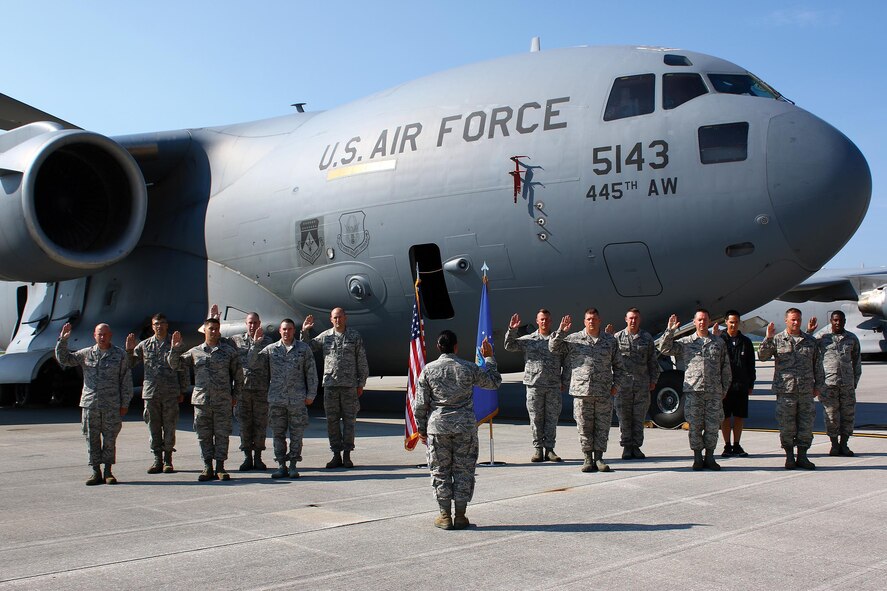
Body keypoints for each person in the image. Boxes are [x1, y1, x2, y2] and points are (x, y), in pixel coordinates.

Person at [413, 330, 502, 530]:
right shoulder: (468, 368)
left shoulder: (429, 370)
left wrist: (421, 429)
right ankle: (460, 515)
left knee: (440, 471)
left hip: (439, 427)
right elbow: (494, 381)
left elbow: (420, 404)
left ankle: (444, 515)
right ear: (456, 346)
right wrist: (489, 357)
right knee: (463, 471)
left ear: (438, 347)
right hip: (465, 428)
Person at [56, 323, 133, 486]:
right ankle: (95, 471)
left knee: (110, 439)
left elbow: (126, 381)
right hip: (91, 404)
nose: (102, 337)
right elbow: (64, 359)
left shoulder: (119, 355)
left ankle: (108, 471)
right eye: (100, 334)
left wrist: (124, 403)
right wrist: (63, 340)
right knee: (91, 438)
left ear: (110, 335)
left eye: (105, 334)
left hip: (112, 405)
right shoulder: (86, 354)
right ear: (94, 336)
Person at [549, 308, 625, 473]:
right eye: (588, 319)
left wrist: (616, 386)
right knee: (584, 426)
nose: (591, 321)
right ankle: (587, 458)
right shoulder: (575, 339)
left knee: (602, 426)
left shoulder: (610, 341)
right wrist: (561, 331)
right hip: (582, 392)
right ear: (584, 321)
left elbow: (619, 367)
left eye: (594, 319)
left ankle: (599, 458)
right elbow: (553, 348)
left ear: (599, 321)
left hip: (604, 392)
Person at [169, 317, 243, 482]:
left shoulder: (229, 352)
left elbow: (238, 376)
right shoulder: (195, 352)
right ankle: (207, 466)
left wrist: (235, 397)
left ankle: (221, 467)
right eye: (211, 329)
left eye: (217, 329)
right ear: (205, 330)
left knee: (222, 434)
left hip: (223, 401)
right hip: (202, 402)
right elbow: (175, 365)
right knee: (204, 435)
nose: (215, 332)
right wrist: (175, 349)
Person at [659, 309, 731, 471]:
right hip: (694, 392)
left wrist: (724, 389)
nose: (702, 322)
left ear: (709, 321)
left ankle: (710, 457)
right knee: (695, 426)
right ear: (694, 322)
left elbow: (726, 368)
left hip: (713, 392)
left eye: (705, 319)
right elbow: (665, 348)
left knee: (712, 426)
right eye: (699, 320)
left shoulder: (718, 343)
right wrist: (670, 331)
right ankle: (698, 457)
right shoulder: (686, 342)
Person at [248, 319, 318, 479]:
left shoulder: (303, 349)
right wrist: (256, 344)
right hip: (276, 400)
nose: (287, 332)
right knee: (278, 434)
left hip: (297, 399)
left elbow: (311, 372)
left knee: (296, 434)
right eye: (284, 329)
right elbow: (253, 363)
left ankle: (293, 465)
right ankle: (281, 465)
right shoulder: (271, 349)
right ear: (280, 331)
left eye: (290, 329)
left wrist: (311, 394)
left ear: (294, 331)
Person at [302, 307, 369, 469]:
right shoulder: (326, 336)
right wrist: (304, 332)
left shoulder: (354, 336)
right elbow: (306, 348)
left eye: (340, 317)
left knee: (349, 422)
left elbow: (361, 360)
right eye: (335, 318)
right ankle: (336, 454)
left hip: (349, 386)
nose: (338, 320)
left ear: (345, 318)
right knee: (332, 422)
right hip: (331, 386)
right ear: (331, 320)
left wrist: (361, 383)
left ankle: (347, 454)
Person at [758, 308, 822, 470]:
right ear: (786, 321)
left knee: (806, 425)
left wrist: (818, 386)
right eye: (793, 320)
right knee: (787, 425)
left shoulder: (810, 341)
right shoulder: (778, 339)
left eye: (798, 319)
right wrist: (768, 337)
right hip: (785, 391)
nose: (796, 322)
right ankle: (789, 456)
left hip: (806, 391)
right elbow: (762, 356)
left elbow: (818, 366)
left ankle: (803, 456)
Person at [126, 314, 190, 474]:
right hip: (151, 393)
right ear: (152, 326)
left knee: (170, 427)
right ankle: (157, 460)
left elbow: (183, 369)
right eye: (156, 324)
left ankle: (168, 460)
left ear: (167, 325)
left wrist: (183, 390)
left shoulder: (175, 344)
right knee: (153, 427)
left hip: (170, 392)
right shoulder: (145, 345)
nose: (159, 326)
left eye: (162, 323)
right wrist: (128, 350)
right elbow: (130, 363)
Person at [504, 309, 566, 462]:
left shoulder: (557, 340)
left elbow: (567, 362)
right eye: (542, 319)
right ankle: (538, 449)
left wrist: (564, 381)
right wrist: (512, 330)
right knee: (536, 419)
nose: (544, 322)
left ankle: (550, 449)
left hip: (553, 386)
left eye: (547, 319)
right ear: (537, 321)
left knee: (552, 418)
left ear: (551, 322)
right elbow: (509, 345)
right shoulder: (529, 340)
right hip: (534, 386)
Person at [612, 308, 660, 460]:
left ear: (640, 320)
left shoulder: (646, 338)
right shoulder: (617, 337)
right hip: (622, 386)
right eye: (631, 318)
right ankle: (627, 447)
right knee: (624, 418)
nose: (633, 321)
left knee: (638, 418)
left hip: (641, 386)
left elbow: (652, 361)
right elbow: (611, 362)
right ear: (626, 319)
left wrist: (654, 380)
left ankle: (636, 447)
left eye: (636, 318)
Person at [229, 311, 274, 472]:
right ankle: (247, 457)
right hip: (242, 391)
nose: (252, 325)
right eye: (250, 323)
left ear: (259, 323)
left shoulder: (267, 342)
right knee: (244, 425)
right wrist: (213, 318)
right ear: (245, 323)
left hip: (261, 391)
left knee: (260, 425)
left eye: (255, 323)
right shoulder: (235, 341)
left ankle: (258, 458)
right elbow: (214, 338)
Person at [817, 310, 861, 456]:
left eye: (840, 320)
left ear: (844, 321)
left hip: (847, 384)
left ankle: (844, 444)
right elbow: (808, 348)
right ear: (831, 321)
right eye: (835, 320)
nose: (838, 323)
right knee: (831, 415)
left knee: (848, 415)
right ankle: (834, 444)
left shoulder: (852, 339)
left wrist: (854, 381)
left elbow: (856, 361)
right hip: (828, 384)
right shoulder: (822, 338)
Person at [719, 310, 756, 458]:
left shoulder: (746, 342)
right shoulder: (720, 340)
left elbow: (750, 364)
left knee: (740, 416)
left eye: (736, 322)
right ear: (726, 322)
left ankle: (737, 444)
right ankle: (727, 445)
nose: (733, 325)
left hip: (741, 385)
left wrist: (751, 383)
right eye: (731, 322)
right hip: (725, 386)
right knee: (726, 416)